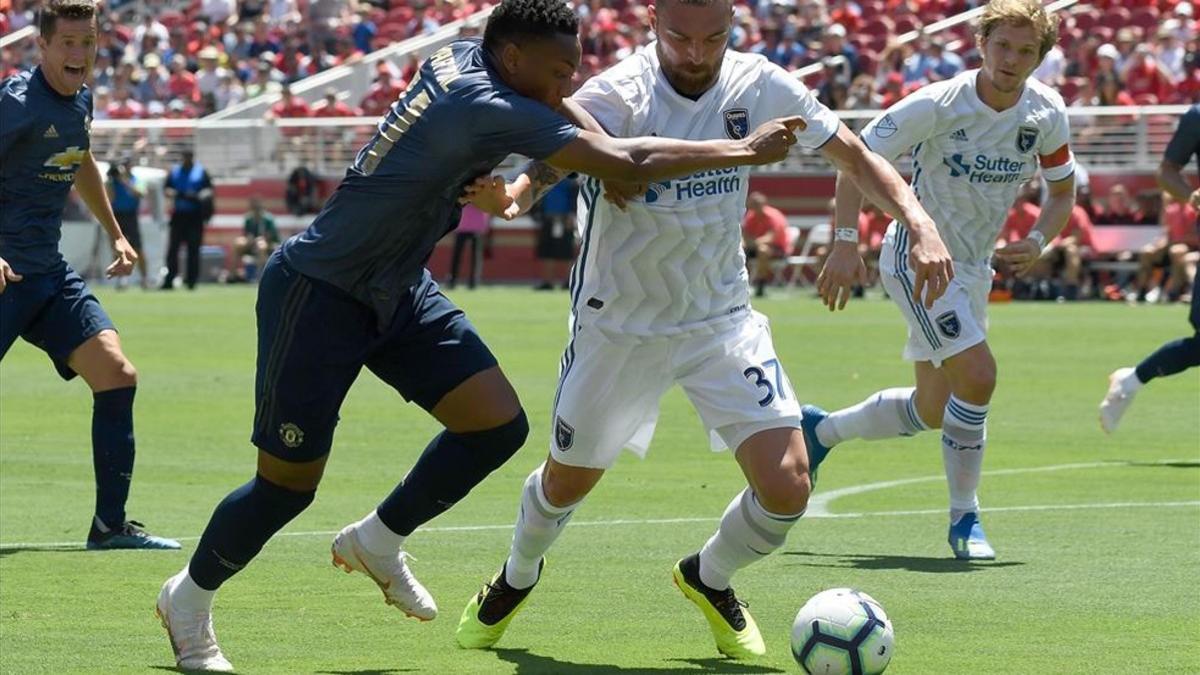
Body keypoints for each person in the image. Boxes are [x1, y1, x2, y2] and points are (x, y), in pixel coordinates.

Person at [153, 0, 806, 669]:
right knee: (286, 486)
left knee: (494, 425)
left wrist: (597, 154)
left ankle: (377, 539)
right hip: (320, 292)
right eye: (557, 74)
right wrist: (740, 150)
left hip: (398, 284)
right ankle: (189, 598)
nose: (565, 88)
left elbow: (585, 133)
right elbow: (626, 160)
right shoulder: (486, 106)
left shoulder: (473, 53)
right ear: (516, 59)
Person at [453, 0, 950, 660]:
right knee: (566, 482)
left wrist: (920, 222)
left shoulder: (762, 84)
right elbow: (548, 169)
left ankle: (708, 576)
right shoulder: (617, 93)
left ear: (734, 24)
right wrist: (509, 200)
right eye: (680, 36)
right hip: (620, 325)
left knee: (788, 486)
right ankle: (517, 574)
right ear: (653, 20)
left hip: (721, 320)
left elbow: (853, 155)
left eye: (714, 36)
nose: (696, 52)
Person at [807, 0, 1077, 561]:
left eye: (1026, 51)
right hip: (917, 257)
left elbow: (1063, 190)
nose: (1011, 59)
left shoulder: (1045, 113)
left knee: (935, 410)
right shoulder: (940, 103)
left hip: (973, 267)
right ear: (982, 43)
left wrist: (1040, 239)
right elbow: (856, 158)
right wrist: (843, 241)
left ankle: (822, 431)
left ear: (1041, 58)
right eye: (1003, 45)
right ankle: (965, 519)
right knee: (978, 378)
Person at [0, 0, 179, 551]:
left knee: (117, 373)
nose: (79, 53)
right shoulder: (15, 105)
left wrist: (118, 233)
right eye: (68, 43)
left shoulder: (79, 99)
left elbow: (81, 160)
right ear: (44, 46)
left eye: (88, 41)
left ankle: (109, 526)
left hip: (47, 273)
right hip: (5, 272)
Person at [1100, 104, 1200, 433]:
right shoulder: (1197, 116)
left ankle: (1131, 379)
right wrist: (1192, 197)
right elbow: (1168, 171)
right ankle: (1131, 380)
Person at [162, 149, 213, 290]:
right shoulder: (175, 171)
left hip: (195, 215)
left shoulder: (201, 172)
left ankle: (191, 281)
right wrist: (177, 194)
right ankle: (169, 279)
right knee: (173, 250)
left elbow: (209, 191)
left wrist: (199, 197)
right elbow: (166, 188)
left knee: (193, 250)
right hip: (179, 215)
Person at [105, 154, 150, 289]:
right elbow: (110, 199)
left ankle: (144, 278)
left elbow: (141, 193)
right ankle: (120, 279)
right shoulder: (113, 181)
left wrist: (125, 181)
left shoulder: (136, 179)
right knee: (117, 249)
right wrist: (111, 180)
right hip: (117, 216)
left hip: (131, 216)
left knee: (137, 248)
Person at [742, 191, 790, 298]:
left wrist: (753, 243)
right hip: (755, 247)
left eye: (756, 205)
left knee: (763, 250)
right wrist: (745, 244)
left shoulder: (773, 216)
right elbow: (745, 234)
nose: (753, 208)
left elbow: (772, 237)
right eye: (752, 205)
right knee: (740, 250)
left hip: (777, 249)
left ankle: (760, 284)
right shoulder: (751, 216)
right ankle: (742, 283)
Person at [533, 176, 577, 290]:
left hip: (564, 221)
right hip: (548, 220)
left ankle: (568, 281)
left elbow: (575, 200)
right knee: (547, 251)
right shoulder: (545, 180)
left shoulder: (571, 182)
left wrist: (572, 216)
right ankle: (547, 282)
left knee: (567, 252)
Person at [233, 196, 280, 281]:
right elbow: (246, 234)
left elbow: (270, 236)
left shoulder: (268, 219)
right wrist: (249, 240)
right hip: (253, 242)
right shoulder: (249, 219)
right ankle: (234, 274)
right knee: (238, 242)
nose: (256, 211)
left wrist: (259, 239)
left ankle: (260, 275)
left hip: (268, 244)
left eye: (257, 208)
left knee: (261, 245)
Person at [448, 203, 490, 290]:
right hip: (463, 225)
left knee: (476, 257)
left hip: (477, 226)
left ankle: (473, 281)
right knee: (457, 255)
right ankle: (452, 280)